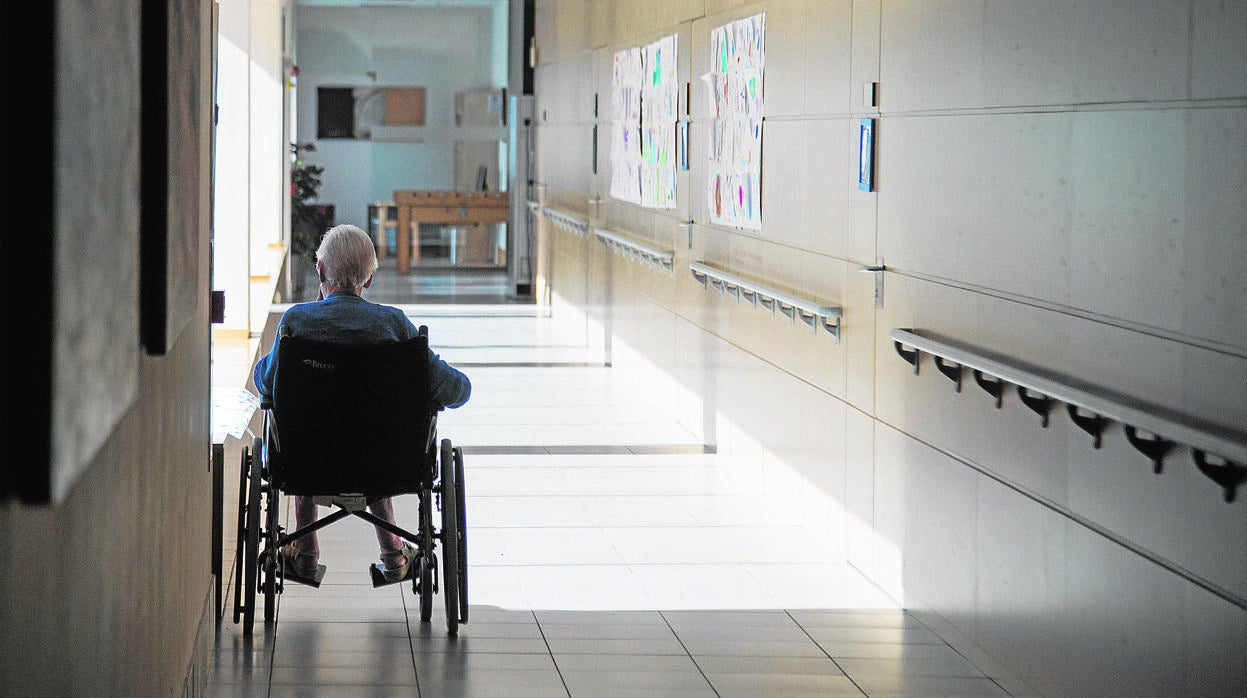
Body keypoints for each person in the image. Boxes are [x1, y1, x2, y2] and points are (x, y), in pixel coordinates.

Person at [252, 224, 472, 586]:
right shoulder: (395, 325)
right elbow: (456, 390)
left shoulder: (296, 323)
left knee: (302, 425)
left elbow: (267, 383)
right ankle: (394, 553)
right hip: (387, 461)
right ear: (368, 280)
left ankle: (306, 555)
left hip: (307, 463)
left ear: (320, 270)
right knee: (372, 428)